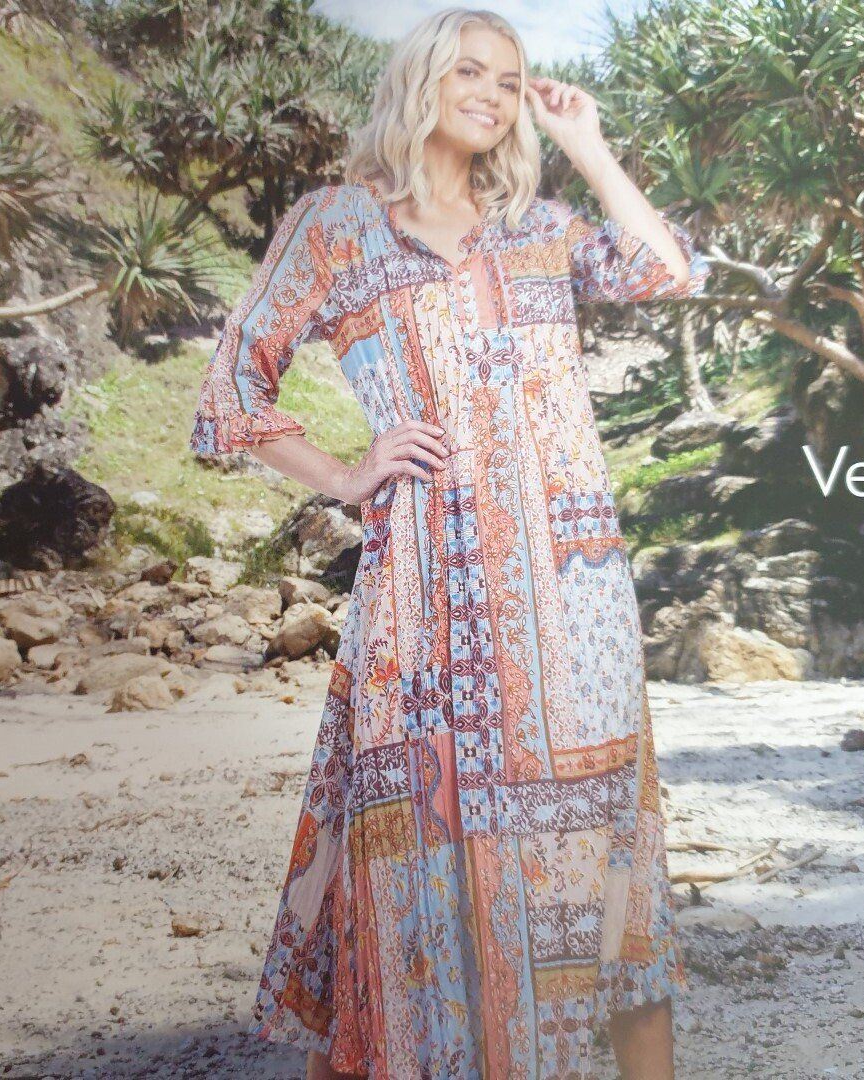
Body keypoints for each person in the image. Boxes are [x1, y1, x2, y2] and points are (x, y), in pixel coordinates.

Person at [189, 7, 710, 1078]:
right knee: (425, 862)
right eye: (470, 70)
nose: (492, 92)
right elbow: (230, 390)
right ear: (421, 79)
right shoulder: (336, 225)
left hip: (575, 600)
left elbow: (667, 272)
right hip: (423, 589)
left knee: (603, 854)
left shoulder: (537, 227)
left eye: (511, 82)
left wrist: (589, 144)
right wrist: (343, 471)